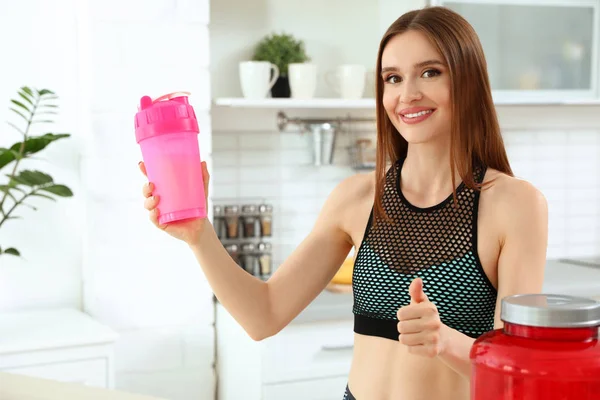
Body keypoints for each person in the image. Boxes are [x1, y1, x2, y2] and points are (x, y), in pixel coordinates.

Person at [139, 6, 548, 400]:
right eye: (392, 78)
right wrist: (199, 236)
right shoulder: (356, 199)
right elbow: (262, 315)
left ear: (469, 81)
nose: (408, 94)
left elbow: (515, 377)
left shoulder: (513, 204)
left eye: (430, 72)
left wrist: (446, 342)